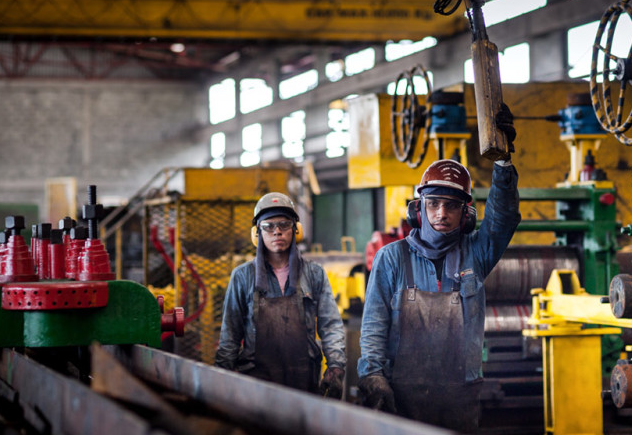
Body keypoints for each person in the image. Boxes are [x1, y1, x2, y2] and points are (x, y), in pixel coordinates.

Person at [357, 110, 520, 432]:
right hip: (401, 391)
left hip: (461, 390)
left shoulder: (476, 253)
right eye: (433, 204)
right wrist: (373, 375)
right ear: (418, 210)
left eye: (452, 205)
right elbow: (374, 322)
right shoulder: (392, 258)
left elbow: (502, 219)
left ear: (466, 213)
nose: (442, 213)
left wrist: (502, 163)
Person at [215, 192, 347, 398]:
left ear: (296, 230)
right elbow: (230, 333)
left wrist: (336, 366)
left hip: (305, 379)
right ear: (257, 232)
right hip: (255, 382)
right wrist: (223, 373)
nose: (277, 232)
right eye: (268, 226)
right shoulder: (242, 276)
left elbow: (330, 326)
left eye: (284, 225)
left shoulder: (314, 273)